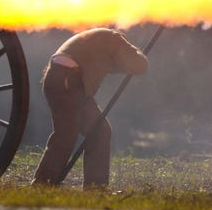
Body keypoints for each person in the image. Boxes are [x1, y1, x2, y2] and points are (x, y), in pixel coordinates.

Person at [31, 28, 148, 189]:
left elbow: (114, 65)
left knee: (99, 131)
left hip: (66, 80)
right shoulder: (115, 39)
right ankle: (42, 184)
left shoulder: (97, 41)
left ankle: (95, 188)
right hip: (69, 80)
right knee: (66, 135)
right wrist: (136, 52)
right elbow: (140, 65)